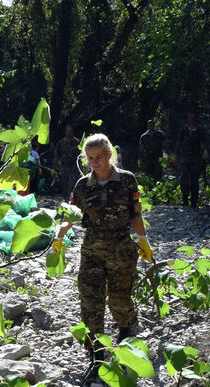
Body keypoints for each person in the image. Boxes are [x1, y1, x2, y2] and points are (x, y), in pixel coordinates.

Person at [53, 133, 153, 372]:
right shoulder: (82, 185)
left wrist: (143, 241)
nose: (95, 162)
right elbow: (72, 214)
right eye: (90, 158)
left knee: (119, 300)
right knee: (90, 299)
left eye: (99, 157)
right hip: (92, 250)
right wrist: (59, 238)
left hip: (121, 248)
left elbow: (136, 213)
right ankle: (96, 348)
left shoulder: (127, 180)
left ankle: (127, 329)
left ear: (109, 155)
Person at [174, 112, 207, 208]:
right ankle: (184, 199)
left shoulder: (200, 130)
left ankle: (194, 201)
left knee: (194, 179)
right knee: (183, 178)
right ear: (188, 119)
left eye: (193, 118)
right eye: (190, 118)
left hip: (196, 157)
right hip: (184, 156)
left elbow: (203, 141)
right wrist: (175, 153)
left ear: (196, 119)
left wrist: (205, 151)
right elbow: (179, 141)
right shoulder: (184, 129)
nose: (191, 119)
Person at [53, 125, 81, 198]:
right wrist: (53, 168)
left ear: (73, 132)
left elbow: (81, 156)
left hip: (74, 168)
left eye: (71, 131)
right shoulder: (60, 143)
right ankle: (65, 198)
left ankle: (70, 199)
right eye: (68, 131)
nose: (69, 133)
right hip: (64, 167)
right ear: (65, 132)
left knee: (72, 185)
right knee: (64, 185)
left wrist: (81, 168)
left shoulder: (77, 142)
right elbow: (57, 156)